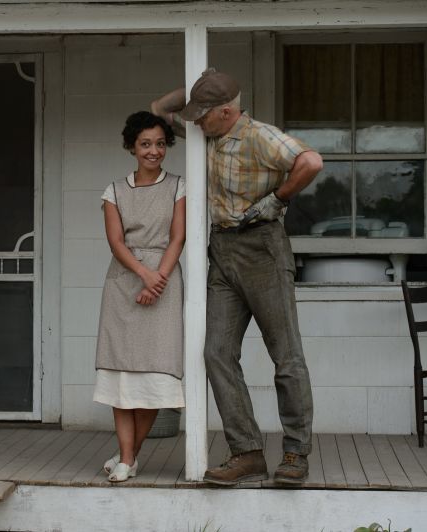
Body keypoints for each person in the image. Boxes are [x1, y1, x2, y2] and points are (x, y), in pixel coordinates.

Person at [151, 70, 323, 486]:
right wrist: (198, 84)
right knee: (217, 352)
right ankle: (247, 452)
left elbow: (311, 162)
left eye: (204, 113)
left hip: (262, 247)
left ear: (227, 112)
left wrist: (279, 198)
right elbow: (158, 109)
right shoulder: (205, 134)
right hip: (222, 250)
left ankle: (296, 453)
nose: (195, 121)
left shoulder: (260, 136)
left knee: (286, 356)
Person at [93, 111, 187, 483]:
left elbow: (178, 237)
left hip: (164, 281)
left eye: (160, 144)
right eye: (145, 144)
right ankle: (127, 458)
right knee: (121, 376)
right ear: (132, 146)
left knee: (155, 377)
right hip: (124, 284)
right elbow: (116, 242)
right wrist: (144, 275)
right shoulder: (114, 191)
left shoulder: (178, 186)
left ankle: (128, 456)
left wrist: (157, 279)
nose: (153, 151)